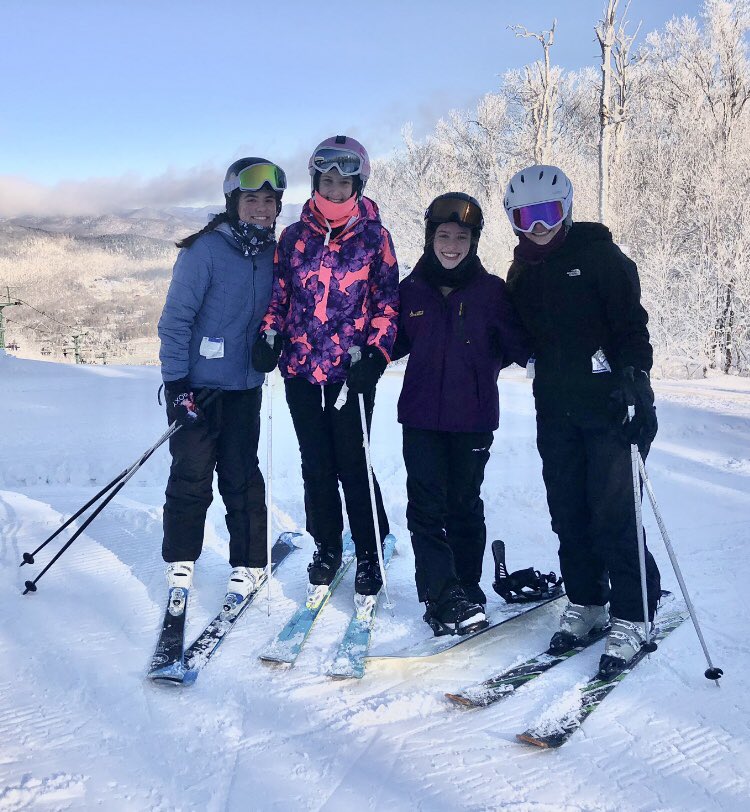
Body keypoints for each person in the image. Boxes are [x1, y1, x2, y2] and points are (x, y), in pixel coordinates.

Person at [503, 164, 661, 676]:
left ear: (566, 209)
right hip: (555, 410)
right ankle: (588, 602)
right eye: (527, 217)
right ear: (514, 219)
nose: (539, 226)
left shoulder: (600, 258)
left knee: (613, 515)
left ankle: (633, 614)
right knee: (568, 511)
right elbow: (519, 333)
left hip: (609, 408)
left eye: (548, 214)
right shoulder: (522, 269)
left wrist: (636, 381)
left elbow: (632, 327)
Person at [253, 135, 399, 606]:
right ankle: (328, 546)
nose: (335, 192)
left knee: (352, 463)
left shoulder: (376, 237)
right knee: (315, 464)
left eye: (344, 183)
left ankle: (370, 553)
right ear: (315, 182)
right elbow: (279, 296)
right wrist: (270, 335)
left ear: (358, 184)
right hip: (300, 370)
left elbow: (387, 303)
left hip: (351, 373)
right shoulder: (294, 237)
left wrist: (376, 354)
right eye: (327, 182)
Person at [393, 193, 531, 636]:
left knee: (464, 507)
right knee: (426, 509)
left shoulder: (491, 292)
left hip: (472, 418)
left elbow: (520, 346)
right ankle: (440, 592)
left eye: (462, 237)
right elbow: (389, 342)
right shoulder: (410, 290)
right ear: (431, 237)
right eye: (444, 235)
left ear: (474, 242)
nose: (451, 245)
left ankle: (467, 588)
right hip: (420, 419)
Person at [157, 157, 286, 601]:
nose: (262, 208)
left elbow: (283, 310)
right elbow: (175, 321)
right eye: (252, 199)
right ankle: (181, 560)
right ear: (234, 202)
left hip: (245, 387)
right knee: (191, 475)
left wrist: (275, 338)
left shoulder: (276, 253)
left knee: (241, 475)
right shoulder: (207, 250)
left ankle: (248, 563)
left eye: (270, 200)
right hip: (197, 388)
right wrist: (176, 387)